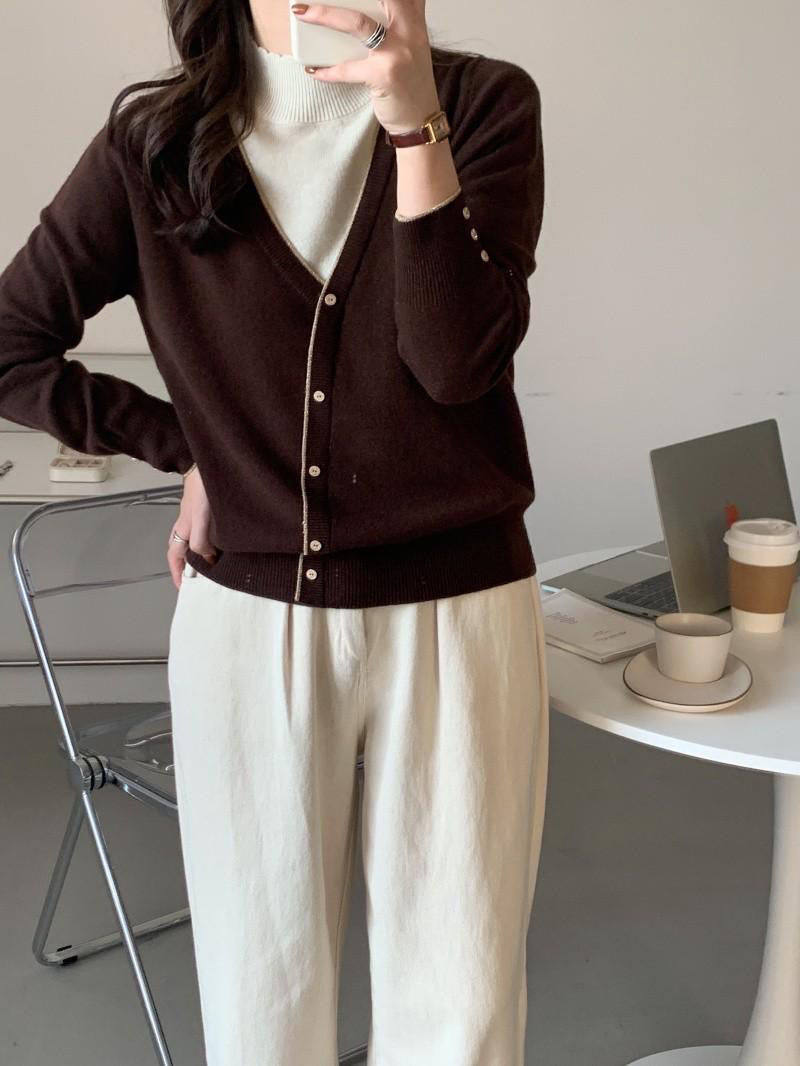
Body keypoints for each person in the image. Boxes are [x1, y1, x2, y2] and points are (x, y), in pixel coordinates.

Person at [0, 1, 549, 1062]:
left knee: (463, 1002)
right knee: (263, 1000)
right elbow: (11, 343)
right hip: (251, 621)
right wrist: (192, 451)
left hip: (461, 611)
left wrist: (414, 124)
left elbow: (455, 365)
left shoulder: (483, 104)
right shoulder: (153, 144)